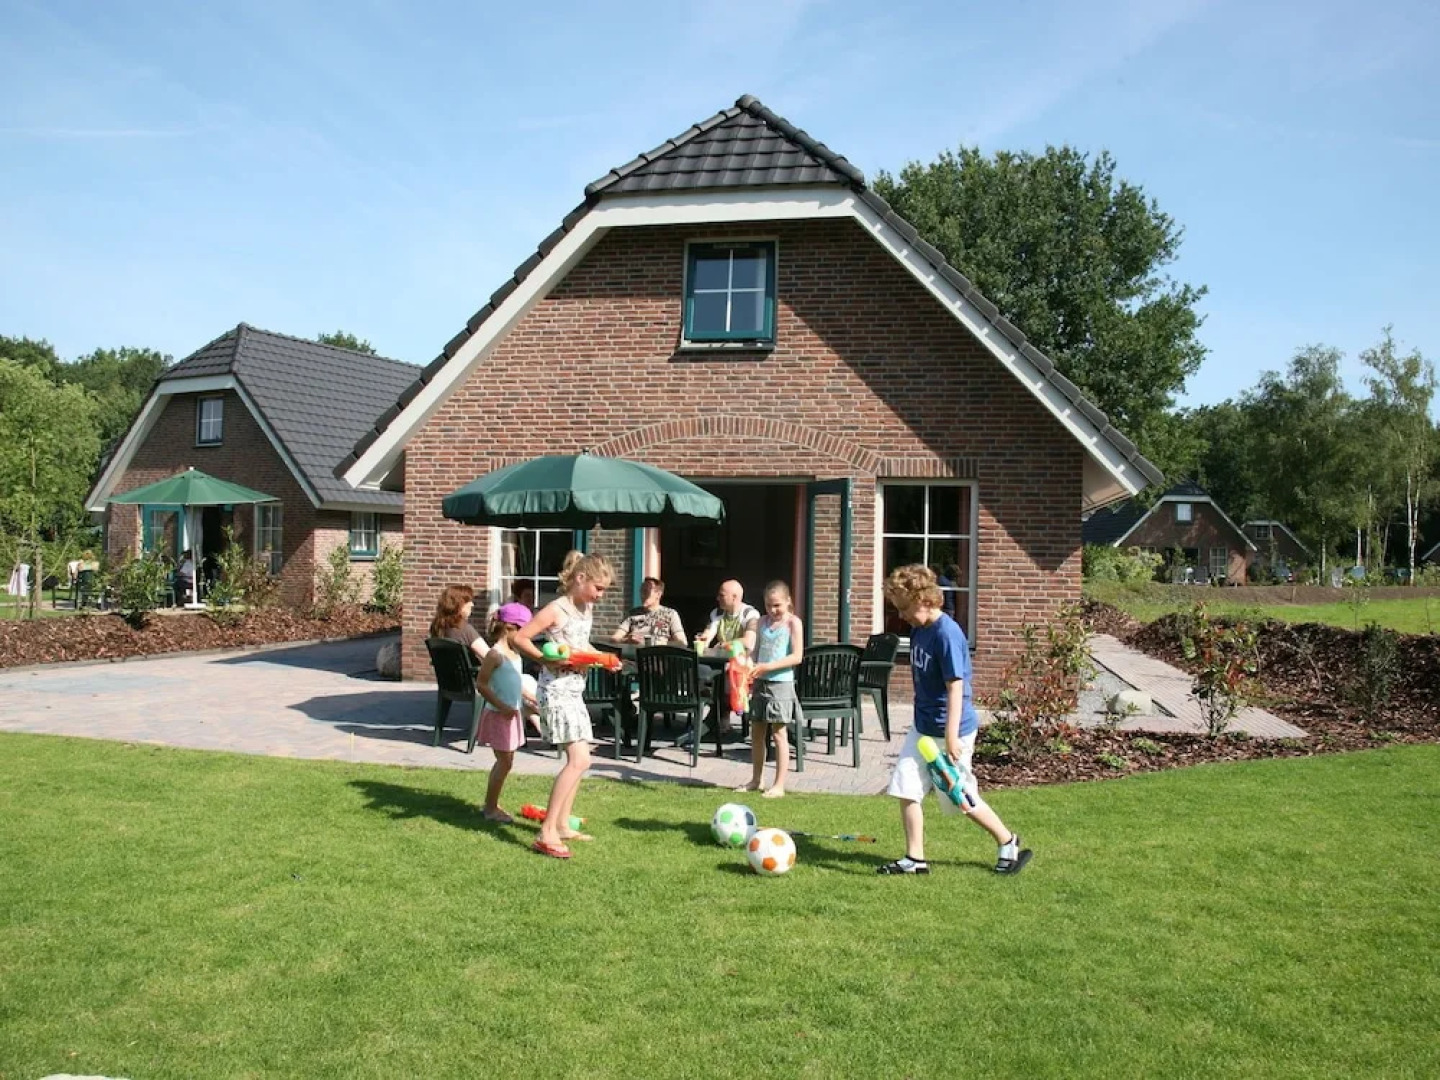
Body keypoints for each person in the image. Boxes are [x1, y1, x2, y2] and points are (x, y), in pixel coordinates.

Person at [877, 564, 1032, 877]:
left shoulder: (947, 634)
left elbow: (956, 688)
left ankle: (1007, 840)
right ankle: (915, 858)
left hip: (952, 731)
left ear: (924, 600)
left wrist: (950, 737)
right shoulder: (920, 629)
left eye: (904, 608)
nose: (902, 616)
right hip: (923, 729)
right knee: (906, 788)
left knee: (960, 797)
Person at [515, 550, 615, 859]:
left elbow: (580, 645)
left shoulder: (584, 610)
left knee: (579, 760)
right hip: (555, 691)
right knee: (580, 760)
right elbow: (521, 638)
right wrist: (545, 658)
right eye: (598, 588)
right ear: (580, 578)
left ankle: (561, 824)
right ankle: (546, 833)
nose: (600, 595)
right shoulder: (555, 609)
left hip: (574, 691)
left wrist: (600, 659)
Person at [735, 581, 803, 799]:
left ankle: (779, 784)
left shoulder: (793, 623)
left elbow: (796, 656)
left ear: (788, 602)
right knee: (756, 732)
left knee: (779, 734)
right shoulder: (762, 622)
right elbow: (756, 652)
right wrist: (748, 663)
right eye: (768, 605)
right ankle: (756, 779)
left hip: (781, 684)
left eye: (777, 605)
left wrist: (768, 667)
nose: (773, 611)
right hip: (760, 683)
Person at [473, 601, 540, 824]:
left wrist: (528, 696)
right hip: (499, 716)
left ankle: (491, 805)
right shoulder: (495, 655)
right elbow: (481, 684)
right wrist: (502, 706)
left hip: (511, 715)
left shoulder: (514, 654)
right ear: (509, 628)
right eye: (524, 631)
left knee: (506, 762)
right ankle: (490, 808)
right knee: (504, 763)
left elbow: (513, 681)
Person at [689, 579, 759, 740]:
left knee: (729, 673)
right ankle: (717, 713)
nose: (717, 598)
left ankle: (720, 714)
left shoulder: (750, 614)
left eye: (721, 595)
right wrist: (703, 638)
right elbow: (708, 636)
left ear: (734, 597)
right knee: (701, 670)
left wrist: (724, 644)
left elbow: (749, 641)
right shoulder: (717, 613)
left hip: (743, 662)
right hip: (721, 662)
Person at [611, 576, 687, 646]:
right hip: (634, 658)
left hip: (659, 658)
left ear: (658, 594)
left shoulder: (670, 614)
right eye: (641, 591)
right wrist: (627, 640)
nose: (642, 595)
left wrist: (660, 644)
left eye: (646, 592)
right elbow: (614, 639)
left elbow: (682, 642)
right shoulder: (632, 614)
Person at [428, 585, 489, 664]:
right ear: (458, 604)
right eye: (468, 601)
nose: (472, 604)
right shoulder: (464, 629)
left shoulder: (437, 627)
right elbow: (490, 656)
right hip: (472, 675)